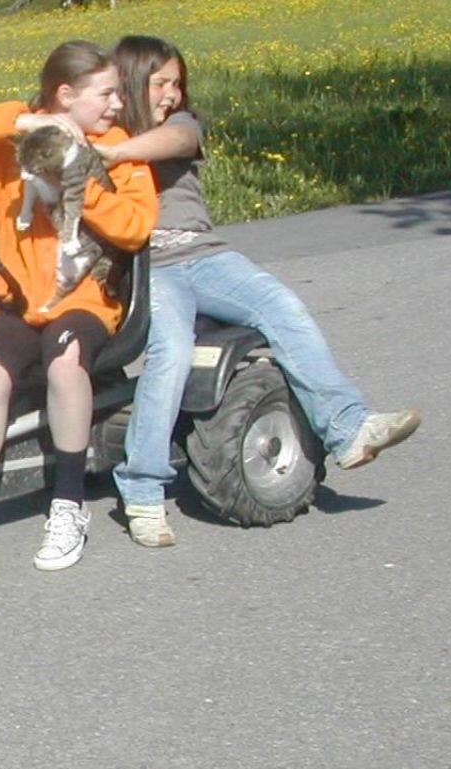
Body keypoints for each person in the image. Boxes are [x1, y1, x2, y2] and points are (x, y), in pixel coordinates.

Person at [100, 35, 420, 547]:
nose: (172, 95)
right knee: (172, 353)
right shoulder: (105, 126)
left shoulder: (178, 127)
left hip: (205, 257)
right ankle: (142, 491)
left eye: (178, 83)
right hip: (150, 268)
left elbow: (176, 144)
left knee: (282, 306)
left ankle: (349, 429)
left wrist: (112, 151)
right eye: (160, 84)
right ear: (132, 82)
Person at [0, 41, 158, 577]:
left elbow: (136, 226)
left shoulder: (117, 149)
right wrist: (29, 122)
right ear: (65, 95)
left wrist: (77, 183)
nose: (116, 106)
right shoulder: (9, 152)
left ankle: (68, 504)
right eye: (105, 94)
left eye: (118, 95)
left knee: (64, 360)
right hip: (19, 302)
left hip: (84, 301)